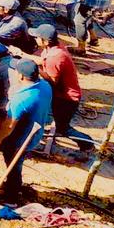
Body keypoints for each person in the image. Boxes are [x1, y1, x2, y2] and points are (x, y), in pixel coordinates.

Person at [16, 24, 92, 155]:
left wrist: (34, 71)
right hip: (63, 95)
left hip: (67, 98)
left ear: (45, 41)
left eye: (37, 37)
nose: (35, 39)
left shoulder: (55, 58)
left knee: (63, 128)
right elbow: (42, 60)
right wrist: (22, 54)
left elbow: (52, 81)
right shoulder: (54, 48)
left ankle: (87, 143)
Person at [0, 58, 53, 202]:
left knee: (14, 166)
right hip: (34, 134)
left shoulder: (21, 100)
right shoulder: (45, 86)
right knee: (16, 165)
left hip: (19, 140)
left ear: (21, 76)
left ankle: (11, 199)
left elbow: (9, 126)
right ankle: (12, 185)